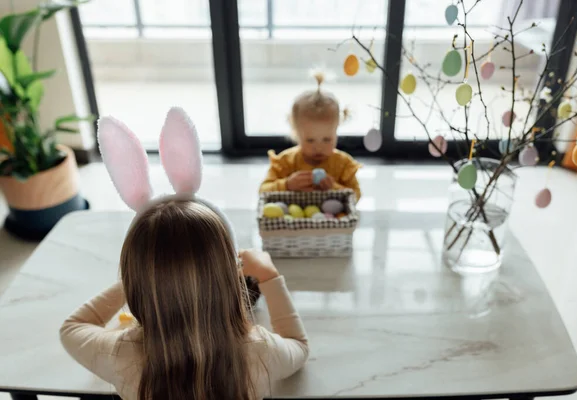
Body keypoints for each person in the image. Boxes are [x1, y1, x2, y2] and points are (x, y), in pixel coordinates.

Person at [59, 107, 309, 400]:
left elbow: (72, 328)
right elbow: (298, 345)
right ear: (231, 277)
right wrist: (269, 275)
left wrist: (146, 278)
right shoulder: (258, 353)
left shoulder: (121, 356)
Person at [259, 71, 362, 200]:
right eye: (310, 140)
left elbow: (356, 196)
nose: (318, 148)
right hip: (294, 219)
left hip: (331, 219)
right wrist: (287, 184)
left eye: (327, 139)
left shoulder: (342, 165)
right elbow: (263, 191)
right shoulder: (286, 162)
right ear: (296, 134)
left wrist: (334, 188)